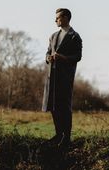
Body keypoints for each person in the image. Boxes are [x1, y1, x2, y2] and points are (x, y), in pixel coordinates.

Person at [42, 8, 82, 148]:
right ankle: (58, 134)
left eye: (58, 18)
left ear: (65, 18)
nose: (55, 20)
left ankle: (67, 138)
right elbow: (47, 53)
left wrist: (62, 57)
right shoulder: (53, 36)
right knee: (53, 106)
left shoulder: (74, 37)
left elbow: (78, 57)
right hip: (51, 77)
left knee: (64, 107)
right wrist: (49, 57)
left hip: (65, 78)